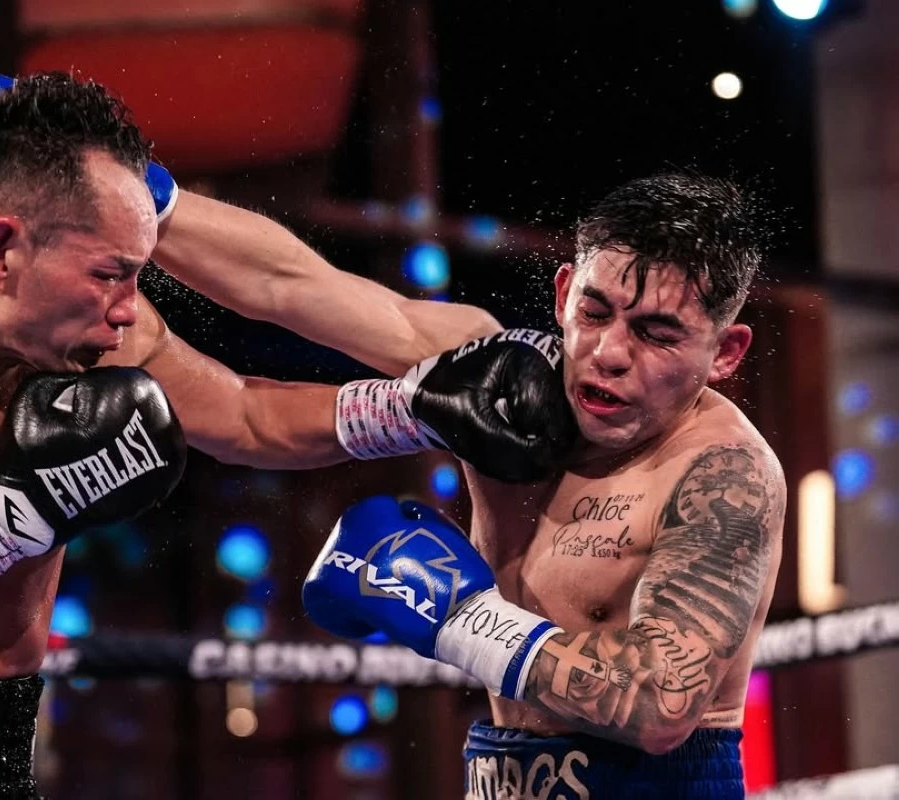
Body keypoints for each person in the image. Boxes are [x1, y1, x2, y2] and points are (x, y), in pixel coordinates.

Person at [0, 73, 570, 799]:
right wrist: (10, 514)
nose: (129, 312)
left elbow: (247, 417)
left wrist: (410, 407)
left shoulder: (86, 340)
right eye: (110, 274)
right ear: (1, 252)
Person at [302, 172, 785, 799]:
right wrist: (150, 193)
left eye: (658, 334)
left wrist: (462, 620)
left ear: (726, 352)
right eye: (595, 311)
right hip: (499, 774)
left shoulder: (724, 474)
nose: (610, 353)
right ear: (563, 294)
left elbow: (662, 705)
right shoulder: (497, 385)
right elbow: (289, 283)